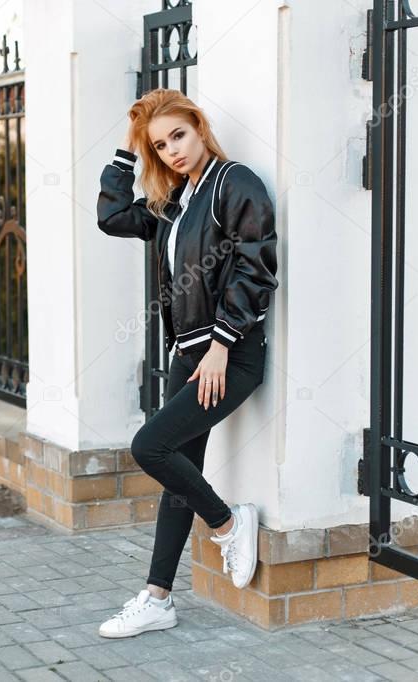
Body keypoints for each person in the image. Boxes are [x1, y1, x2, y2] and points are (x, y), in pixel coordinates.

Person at [94, 88, 279, 638]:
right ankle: (157, 597)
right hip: (188, 352)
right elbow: (112, 218)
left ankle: (226, 523)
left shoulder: (234, 182)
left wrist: (223, 342)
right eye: (160, 144)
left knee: (149, 446)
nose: (173, 150)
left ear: (199, 128)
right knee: (178, 474)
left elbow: (257, 266)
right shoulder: (175, 199)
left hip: (230, 353)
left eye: (179, 135)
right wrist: (128, 153)